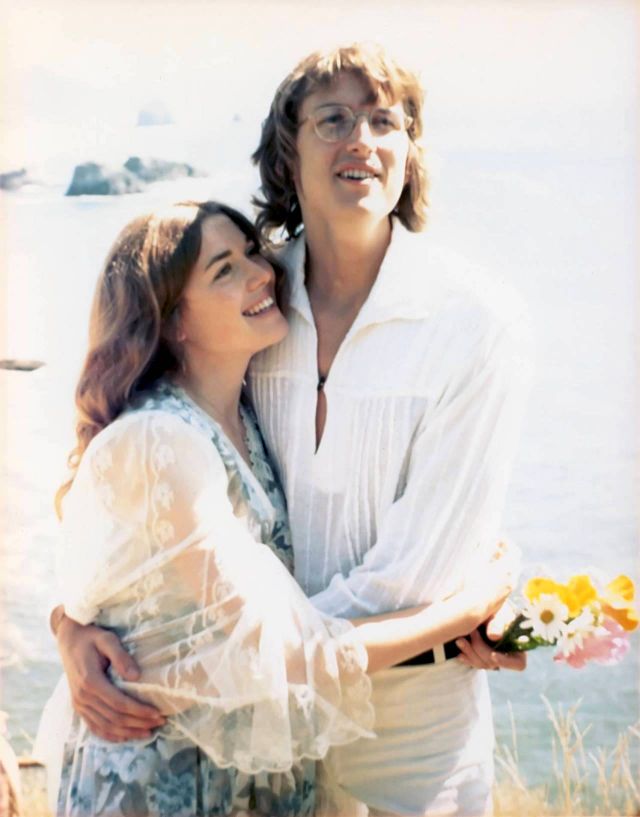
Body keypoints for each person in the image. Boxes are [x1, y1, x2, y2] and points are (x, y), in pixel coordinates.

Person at [37, 200, 520, 817]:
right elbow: (278, 653)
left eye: (251, 253)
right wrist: (462, 610)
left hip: (244, 781)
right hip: (158, 782)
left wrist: (67, 623)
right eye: (225, 270)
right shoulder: (161, 440)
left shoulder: (247, 415)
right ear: (173, 320)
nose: (262, 273)